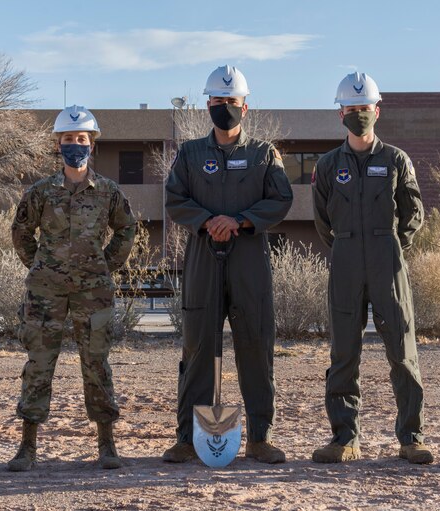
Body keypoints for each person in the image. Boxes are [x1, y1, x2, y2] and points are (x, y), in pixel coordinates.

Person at [163, 65, 293, 464]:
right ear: (207, 105)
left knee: (256, 346)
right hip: (203, 254)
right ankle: (188, 438)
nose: (225, 108)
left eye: (231, 102)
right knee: (198, 347)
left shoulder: (264, 154)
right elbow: (174, 199)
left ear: (245, 107)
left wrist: (238, 220)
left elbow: (281, 199)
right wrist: (207, 221)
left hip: (249, 254)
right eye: (218, 102)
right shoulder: (189, 153)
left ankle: (260, 437)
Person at [311, 72, 432, 464]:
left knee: (402, 350)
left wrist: (392, 246)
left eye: (365, 109)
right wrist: (347, 245)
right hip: (345, 260)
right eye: (352, 109)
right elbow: (321, 220)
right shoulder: (328, 165)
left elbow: (414, 214)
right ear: (340, 113)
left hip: (387, 260)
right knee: (344, 354)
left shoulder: (396, 159)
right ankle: (344, 437)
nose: (359, 114)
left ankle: (411, 437)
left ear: (377, 111)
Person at [8, 105, 137, 471]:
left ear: (92, 144)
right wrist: (39, 264)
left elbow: (127, 229)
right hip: (45, 293)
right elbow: (20, 232)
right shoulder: (41, 192)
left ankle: (106, 443)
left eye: (81, 139)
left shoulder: (108, 192)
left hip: (92, 291)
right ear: (58, 145)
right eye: (68, 140)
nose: (75, 146)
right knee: (38, 364)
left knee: (96, 363)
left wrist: (105, 264)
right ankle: (28, 446)